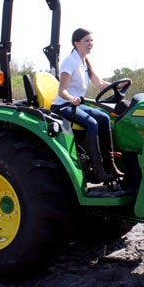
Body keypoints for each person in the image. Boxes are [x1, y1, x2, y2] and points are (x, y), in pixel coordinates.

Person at [51, 28, 123, 183]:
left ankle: (111, 166)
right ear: (76, 43)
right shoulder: (69, 63)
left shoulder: (85, 62)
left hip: (76, 104)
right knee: (92, 123)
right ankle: (98, 171)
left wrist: (117, 85)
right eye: (86, 41)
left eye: (91, 40)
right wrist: (72, 99)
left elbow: (100, 83)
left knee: (104, 118)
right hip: (63, 106)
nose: (90, 44)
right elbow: (62, 91)